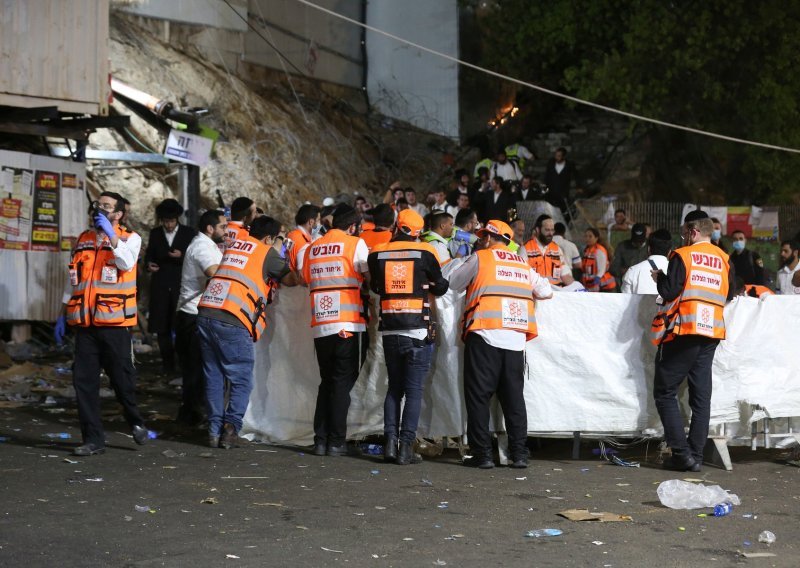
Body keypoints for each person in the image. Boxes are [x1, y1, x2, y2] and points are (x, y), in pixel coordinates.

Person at [448, 220, 553, 469]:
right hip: (515, 340)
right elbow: (546, 290)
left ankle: (482, 455)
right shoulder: (522, 264)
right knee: (514, 400)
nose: (481, 239)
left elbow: (454, 283)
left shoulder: (481, 258)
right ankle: (519, 454)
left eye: (484, 236)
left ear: (489, 238)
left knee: (479, 398)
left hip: (485, 333)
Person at [58, 191, 148, 456]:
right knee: (83, 381)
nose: (99, 209)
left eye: (107, 206)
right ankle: (93, 439)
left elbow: (126, 262)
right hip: (85, 325)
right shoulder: (83, 240)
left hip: (114, 325)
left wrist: (111, 236)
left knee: (122, 380)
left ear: (118, 214)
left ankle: (134, 419)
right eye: (98, 204)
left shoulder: (131, 239)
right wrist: (61, 313)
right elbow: (73, 279)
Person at [197, 216, 296, 449]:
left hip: (206, 313)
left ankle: (213, 432)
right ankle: (231, 430)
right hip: (233, 317)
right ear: (269, 238)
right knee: (241, 378)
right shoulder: (266, 252)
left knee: (213, 376)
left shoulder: (235, 246)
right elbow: (291, 279)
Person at [650, 211, 735, 472]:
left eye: (685, 232)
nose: (683, 237)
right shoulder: (723, 258)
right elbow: (730, 292)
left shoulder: (683, 255)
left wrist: (659, 278)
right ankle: (695, 456)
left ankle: (681, 454)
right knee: (701, 397)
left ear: (694, 231)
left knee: (665, 392)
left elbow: (669, 290)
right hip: (712, 331)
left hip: (685, 328)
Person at [367, 209, 449, 465]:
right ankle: (405, 449)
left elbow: (375, 287)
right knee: (413, 392)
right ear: (418, 232)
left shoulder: (377, 252)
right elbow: (441, 284)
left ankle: (389, 445)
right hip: (417, 330)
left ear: (396, 227)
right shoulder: (426, 252)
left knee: (394, 388)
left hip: (390, 328)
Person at [299, 204, 370, 457]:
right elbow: (368, 275)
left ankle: (321, 440)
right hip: (347, 323)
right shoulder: (355, 243)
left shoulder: (313, 247)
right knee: (341, 383)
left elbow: (305, 277)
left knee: (326, 381)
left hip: (321, 324)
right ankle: (336, 441)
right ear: (352, 226)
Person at [174, 209, 227, 425]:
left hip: (198, 313)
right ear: (210, 228)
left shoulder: (208, 244)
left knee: (197, 368)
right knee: (195, 369)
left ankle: (191, 413)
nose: (226, 230)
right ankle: (193, 414)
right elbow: (214, 272)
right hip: (192, 315)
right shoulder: (201, 247)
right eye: (222, 226)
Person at [144, 198, 196, 374]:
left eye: (171, 221)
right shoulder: (155, 234)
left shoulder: (189, 234)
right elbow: (149, 255)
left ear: (177, 219)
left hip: (181, 286)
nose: (168, 225)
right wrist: (149, 265)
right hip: (160, 285)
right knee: (161, 327)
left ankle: (184, 365)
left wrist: (182, 256)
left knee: (181, 326)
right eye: (165, 221)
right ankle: (168, 366)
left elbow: (196, 258)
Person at [523, 215, 574, 287]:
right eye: (547, 230)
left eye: (552, 230)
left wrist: (576, 288)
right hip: (535, 294)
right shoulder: (525, 249)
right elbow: (522, 275)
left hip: (556, 294)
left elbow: (565, 274)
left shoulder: (557, 249)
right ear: (538, 230)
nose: (550, 233)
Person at [620, 229, 671, 294]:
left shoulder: (633, 271)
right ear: (669, 252)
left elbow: (625, 300)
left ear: (648, 249)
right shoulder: (678, 272)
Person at [286, 204, 322, 273]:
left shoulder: (290, 235)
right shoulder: (304, 244)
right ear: (311, 222)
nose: (320, 224)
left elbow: (285, 256)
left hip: (287, 277)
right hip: (296, 281)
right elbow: (302, 272)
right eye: (318, 220)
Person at [543, 147, 575, 213]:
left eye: (559, 156)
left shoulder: (569, 165)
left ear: (563, 156)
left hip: (563, 192)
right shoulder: (551, 163)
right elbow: (547, 175)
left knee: (562, 211)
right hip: (552, 192)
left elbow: (573, 177)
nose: (557, 157)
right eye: (556, 155)